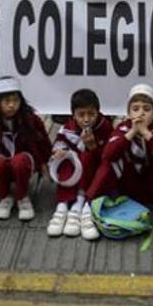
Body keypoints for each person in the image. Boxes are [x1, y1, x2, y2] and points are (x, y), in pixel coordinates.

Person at [86, 84, 153, 241]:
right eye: (135, 109)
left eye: (146, 109)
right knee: (111, 162)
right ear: (128, 114)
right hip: (130, 188)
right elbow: (107, 155)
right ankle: (88, 209)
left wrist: (146, 134)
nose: (140, 113)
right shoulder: (123, 128)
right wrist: (131, 133)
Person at [0, 76, 51, 221]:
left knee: (19, 161)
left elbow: (43, 142)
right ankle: (4, 196)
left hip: (24, 163)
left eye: (15, 100)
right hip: (1, 163)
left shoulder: (31, 119)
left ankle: (23, 197)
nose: (12, 105)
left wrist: (44, 162)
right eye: (7, 101)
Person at [47, 88, 112, 239]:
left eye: (91, 114)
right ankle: (62, 206)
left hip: (93, 177)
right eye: (81, 114)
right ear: (73, 116)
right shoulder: (67, 129)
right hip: (73, 177)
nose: (87, 119)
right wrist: (60, 153)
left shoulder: (105, 127)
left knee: (88, 158)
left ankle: (83, 207)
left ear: (98, 112)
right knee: (65, 160)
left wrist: (92, 147)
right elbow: (58, 145)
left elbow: (108, 157)